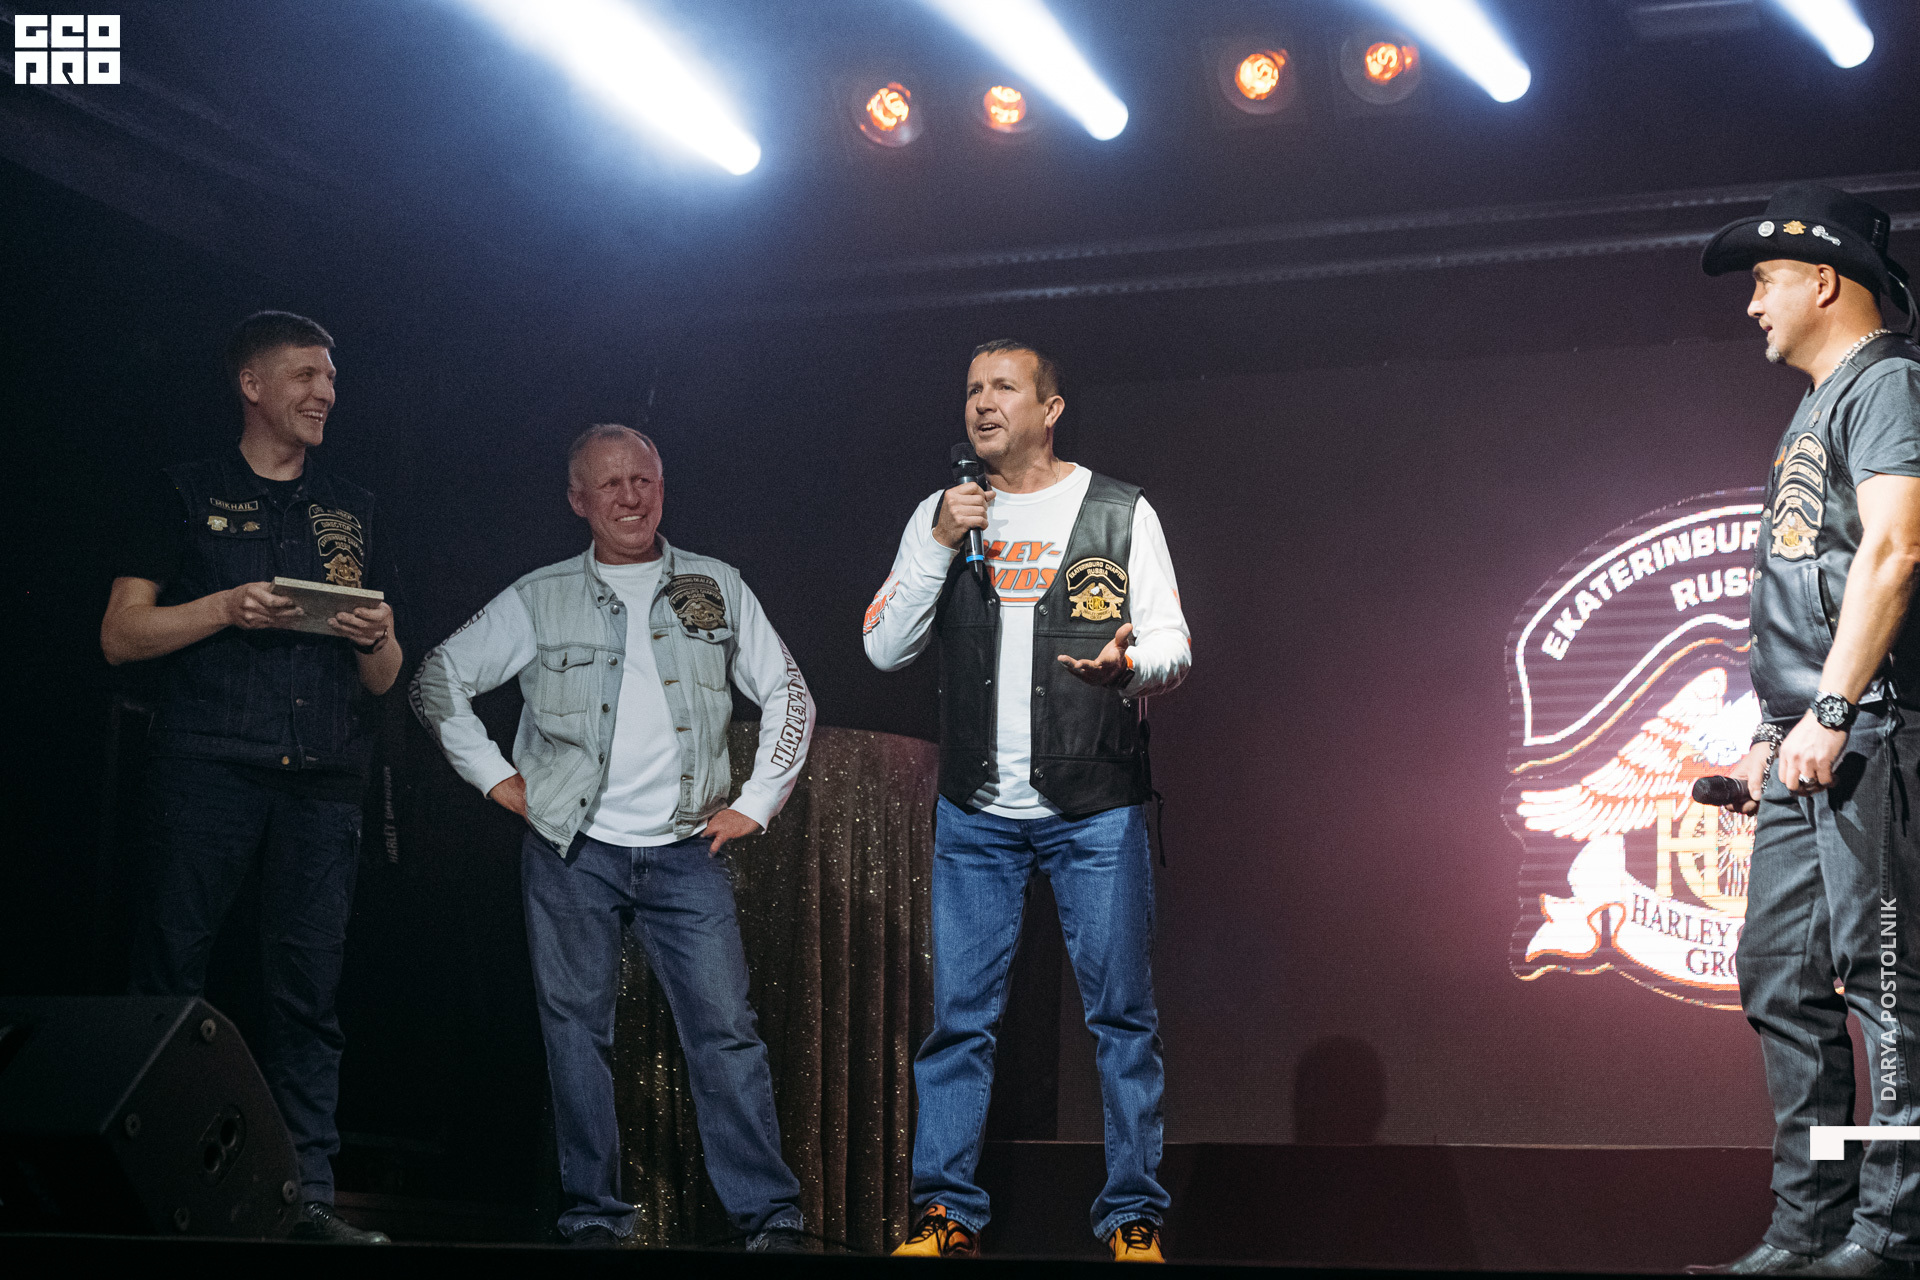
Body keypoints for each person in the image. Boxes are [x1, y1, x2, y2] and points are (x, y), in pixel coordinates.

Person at [411, 424, 814, 1250]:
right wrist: (496, 778)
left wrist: (759, 798)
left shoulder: (714, 584)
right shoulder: (540, 595)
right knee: (574, 1033)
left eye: (644, 480)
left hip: (685, 848)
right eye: (611, 484)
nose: (631, 496)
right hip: (573, 850)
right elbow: (435, 679)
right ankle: (593, 1217)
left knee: (725, 1033)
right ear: (578, 500)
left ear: (661, 486)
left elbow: (790, 692)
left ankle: (770, 1219)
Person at [864, 339, 1191, 1261]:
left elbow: (1173, 644)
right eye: (972, 388)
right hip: (977, 813)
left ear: (1050, 409)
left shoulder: (1120, 511)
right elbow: (884, 648)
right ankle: (945, 1215)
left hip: (1093, 806)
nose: (982, 403)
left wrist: (1131, 666)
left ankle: (1132, 1217)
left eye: (1003, 387)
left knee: (1121, 1020)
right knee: (959, 1023)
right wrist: (939, 541)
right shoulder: (942, 514)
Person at [101, 310, 402, 1245]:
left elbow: (385, 679)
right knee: (171, 981)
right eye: (307, 375)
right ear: (253, 385)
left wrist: (380, 636)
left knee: (308, 997)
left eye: (331, 378)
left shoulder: (352, 507)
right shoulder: (183, 490)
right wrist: (225, 607)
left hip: (323, 779)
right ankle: (149, 1194)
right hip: (207, 768)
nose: (325, 393)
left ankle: (306, 1200)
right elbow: (120, 637)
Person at [1694, 185, 1920, 1278]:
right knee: (1781, 976)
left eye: (1765, 281)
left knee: (1887, 985)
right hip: (1809, 739)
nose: (1752, 305)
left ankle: (1893, 1231)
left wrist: (1832, 709)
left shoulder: (1889, 384)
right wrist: (1772, 732)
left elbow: (1896, 548)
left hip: (1871, 731)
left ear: (1825, 280)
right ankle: (1811, 1227)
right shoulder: (1821, 405)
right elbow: (1811, 587)